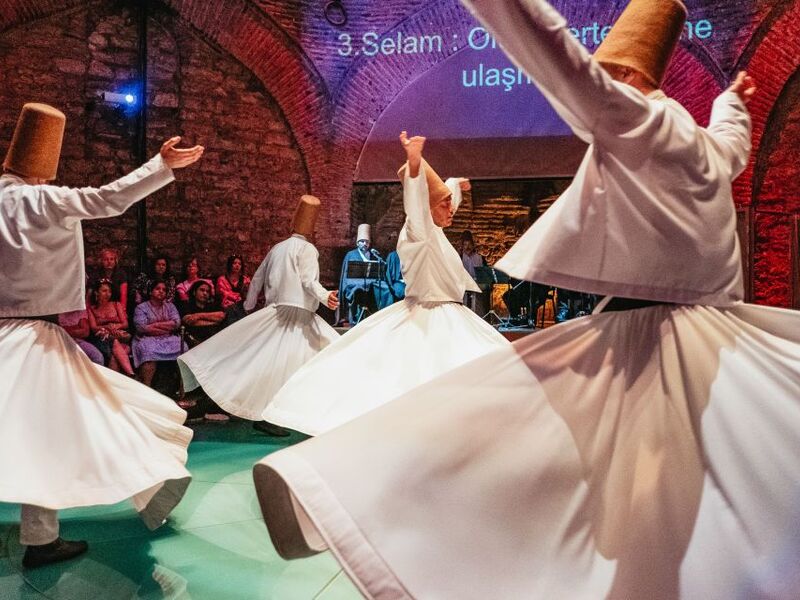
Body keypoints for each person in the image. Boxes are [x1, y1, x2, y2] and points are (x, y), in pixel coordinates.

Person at [252, 1, 800, 597]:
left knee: (522, 433)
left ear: (628, 75)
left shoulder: (627, 114)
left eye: (610, 68)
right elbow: (732, 145)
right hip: (714, 326)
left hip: (646, 324)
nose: (603, 76)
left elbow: (549, 47)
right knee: (711, 462)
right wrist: (732, 100)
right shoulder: (699, 140)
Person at [0, 101, 202, 568]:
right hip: (33, 336)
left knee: (23, 430)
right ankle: (41, 538)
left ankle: (42, 536)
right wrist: (160, 165)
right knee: (60, 430)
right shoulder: (42, 200)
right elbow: (107, 198)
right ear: (43, 167)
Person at [258, 133, 509, 437]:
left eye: (450, 203)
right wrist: (414, 167)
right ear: (428, 207)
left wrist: (453, 184)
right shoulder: (419, 232)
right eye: (445, 204)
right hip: (430, 315)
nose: (452, 209)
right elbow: (418, 204)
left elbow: (438, 201)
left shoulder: (436, 230)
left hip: (447, 314)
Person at [178, 195, 340, 436]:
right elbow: (308, 280)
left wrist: (249, 305)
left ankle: (276, 414)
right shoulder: (308, 249)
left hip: (274, 315)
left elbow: (257, 278)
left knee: (255, 362)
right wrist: (325, 296)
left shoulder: (278, 248)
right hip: (297, 319)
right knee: (319, 359)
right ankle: (288, 415)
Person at [133, 280, 185, 388]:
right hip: (147, 338)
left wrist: (154, 325)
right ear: (151, 291)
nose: (161, 291)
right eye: (158, 289)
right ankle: (146, 386)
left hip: (168, 338)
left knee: (183, 347)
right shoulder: (141, 307)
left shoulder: (170, 306)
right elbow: (142, 328)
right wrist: (166, 327)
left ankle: (180, 388)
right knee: (147, 350)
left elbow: (176, 323)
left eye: (164, 290)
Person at [87, 278, 135, 376]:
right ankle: (130, 373)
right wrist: (108, 328)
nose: (107, 294)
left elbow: (125, 323)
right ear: (96, 292)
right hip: (101, 337)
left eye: (109, 291)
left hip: (120, 335)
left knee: (116, 344)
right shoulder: (91, 309)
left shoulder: (116, 304)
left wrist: (115, 327)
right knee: (113, 354)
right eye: (104, 291)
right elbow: (93, 327)